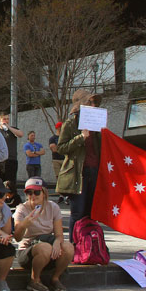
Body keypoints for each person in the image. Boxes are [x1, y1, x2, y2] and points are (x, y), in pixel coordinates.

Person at [14, 177, 74, 291]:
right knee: (45, 248)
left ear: (44, 193)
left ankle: (55, 278)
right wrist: (23, 225)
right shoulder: (22, 209)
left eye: (36, 192)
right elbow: (17, 237)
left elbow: (59, 234)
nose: (33, 196)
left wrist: (57, 242)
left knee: (68, 247)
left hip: (49, 246)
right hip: (27, 250)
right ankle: (34, 280)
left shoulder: (53, 207)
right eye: (29, 192)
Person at [56, 89, 103, 241]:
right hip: (78, 173)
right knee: (78, 212)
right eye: (90, 102)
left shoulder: (97, 125)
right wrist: (81, 137)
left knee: (92, 213)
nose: (94, 105)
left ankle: (89, 246)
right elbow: (61, 148)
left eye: (95, 102)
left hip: (94, 171)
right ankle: (74, 246)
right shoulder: (70, 124)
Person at [0, 111, 23, 185]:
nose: (6, 121)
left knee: (11, 183)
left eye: (7, 119)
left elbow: (20, 134)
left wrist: (8, 127)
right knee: (0, 183)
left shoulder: (12, 130)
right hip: (0, 161)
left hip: (11, 160)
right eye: (4, 119)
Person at [49, 122, 65, 203]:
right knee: (59, 177)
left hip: (65, 159)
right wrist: (63, 148)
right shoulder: (52, 138)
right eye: (60, 127)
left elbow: (67, 148)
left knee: (65, 177)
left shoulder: (65, 137)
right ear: (57, 128)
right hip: (56, 160)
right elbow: (54, 149)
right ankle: (61, 194)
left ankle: (65, 195)